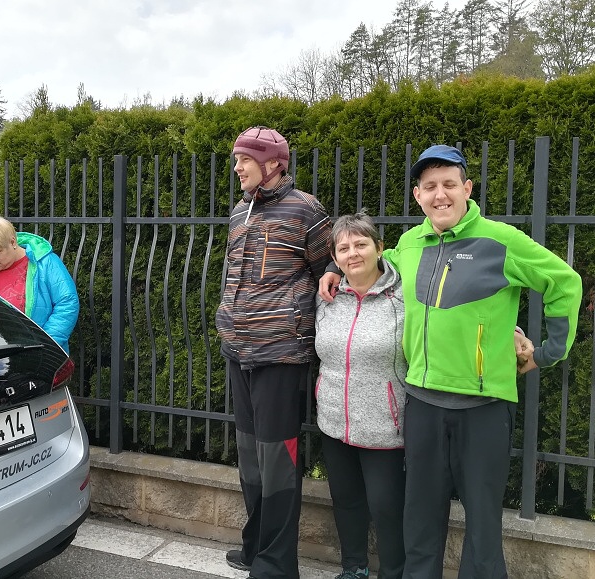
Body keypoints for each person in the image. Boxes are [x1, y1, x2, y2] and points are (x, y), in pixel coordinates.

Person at [318, 145, 582, 578]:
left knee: (482, 528)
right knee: (420, 523)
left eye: (448, 185)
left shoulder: (500, 240)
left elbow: (564, 282)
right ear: (417, 196)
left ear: (467, 188)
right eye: (430, 187)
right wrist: (333, 269)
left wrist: (547, 352)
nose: (440, 195)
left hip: (483, 408)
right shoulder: (409, 243)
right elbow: (371, 264)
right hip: (422, 404)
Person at [216, 126, 332, 579]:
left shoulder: (306, 209)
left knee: (278, 458)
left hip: (281, 353)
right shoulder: (238, 212)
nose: (237, 167)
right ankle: (256, 546)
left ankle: (278, 564)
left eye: (244, 159)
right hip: (238, 350)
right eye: (237, 159)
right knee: (250, 457)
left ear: (273, 164)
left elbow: (328, 270)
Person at [314, 213, 407, 579]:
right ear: (335, 258)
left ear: (379, 248)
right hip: (334, 421)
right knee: (346, 501)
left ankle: (393, 573)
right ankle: (354, 568)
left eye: (361, 244)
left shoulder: (404, 297)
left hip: (385, 426)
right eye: (344, 248)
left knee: (387, 508)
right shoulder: (326, 297)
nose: (353, 253)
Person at [0, 214, 79, 353]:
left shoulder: (45, 262)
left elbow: (67, 302)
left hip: (41, 355)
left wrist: (46, 345)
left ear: (12, 242)